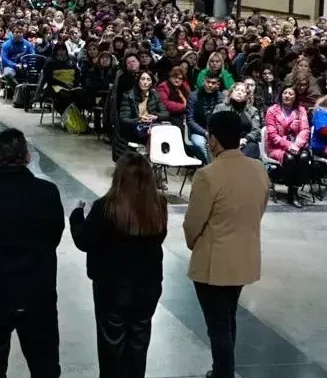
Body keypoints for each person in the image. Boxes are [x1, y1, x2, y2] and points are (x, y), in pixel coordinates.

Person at [0, 128, 64, 378]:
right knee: (45, 368)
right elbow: (54, 236)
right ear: (27, 157)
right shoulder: (47, 192)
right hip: (38, 295)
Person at [183, 110, 270, 378]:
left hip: (214, 263)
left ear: (214, 140)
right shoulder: (258, 169)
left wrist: (194, 243)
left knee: (218, 325)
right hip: (244, 257)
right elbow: (260, 208)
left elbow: (192, 225)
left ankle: (223, 373)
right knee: (228, 317)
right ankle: (223, 370)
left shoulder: (209, 175)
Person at [70, 152, 167, 378]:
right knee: (139, 340)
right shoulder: (158, 206)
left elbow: (83, 241)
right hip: (148, 286)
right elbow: (158, 237)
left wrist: (76, 214)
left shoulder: (105, 207)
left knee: (111, 343)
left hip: (112, 288)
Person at [265, 86, 311, 207]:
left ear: (295, 97)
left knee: (304, 156)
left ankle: (294, 190)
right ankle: (291, 193)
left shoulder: (301, 110)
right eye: (285, 93)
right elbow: (272, 134)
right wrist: (289, 145)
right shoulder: (272, 110)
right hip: (277, 146)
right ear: (281, 95)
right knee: (290, 158)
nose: (287, 95)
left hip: (297, 145)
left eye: (291, 94)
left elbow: (305, 130)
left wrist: (296, 145)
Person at [212, 82, 262, 160]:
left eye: (243, 91)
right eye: (237, 90)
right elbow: (214, 128)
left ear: (246, 96)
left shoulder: (252, 110)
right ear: (231, 92)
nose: (239, 92)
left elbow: (256, 131)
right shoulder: (220, 108)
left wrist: (245, 139)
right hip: (225, 143)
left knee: (248, 152)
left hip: (247, 143)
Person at [118, 70, 169, 145]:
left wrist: (156, 116)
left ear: (151, 83)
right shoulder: (129, 96)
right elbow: (124, 119)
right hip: (134, 129)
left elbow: (165, 113)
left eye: (148, 80)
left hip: (151, 127)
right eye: (142, 79)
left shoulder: (155, 95)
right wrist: (139, 119)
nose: (145, 82)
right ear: (138, 81)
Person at [186, 75, 224, 164]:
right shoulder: (194, 95)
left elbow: (222, 119)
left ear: (218, 84)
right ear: (204, 81)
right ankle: (209, 168)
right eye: (208, 82)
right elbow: (190, 120)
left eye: (213, 83)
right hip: (197, 131)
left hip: (215, 132)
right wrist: (205, 132)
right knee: (200, 144)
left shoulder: (220, 97)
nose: (210, 85)